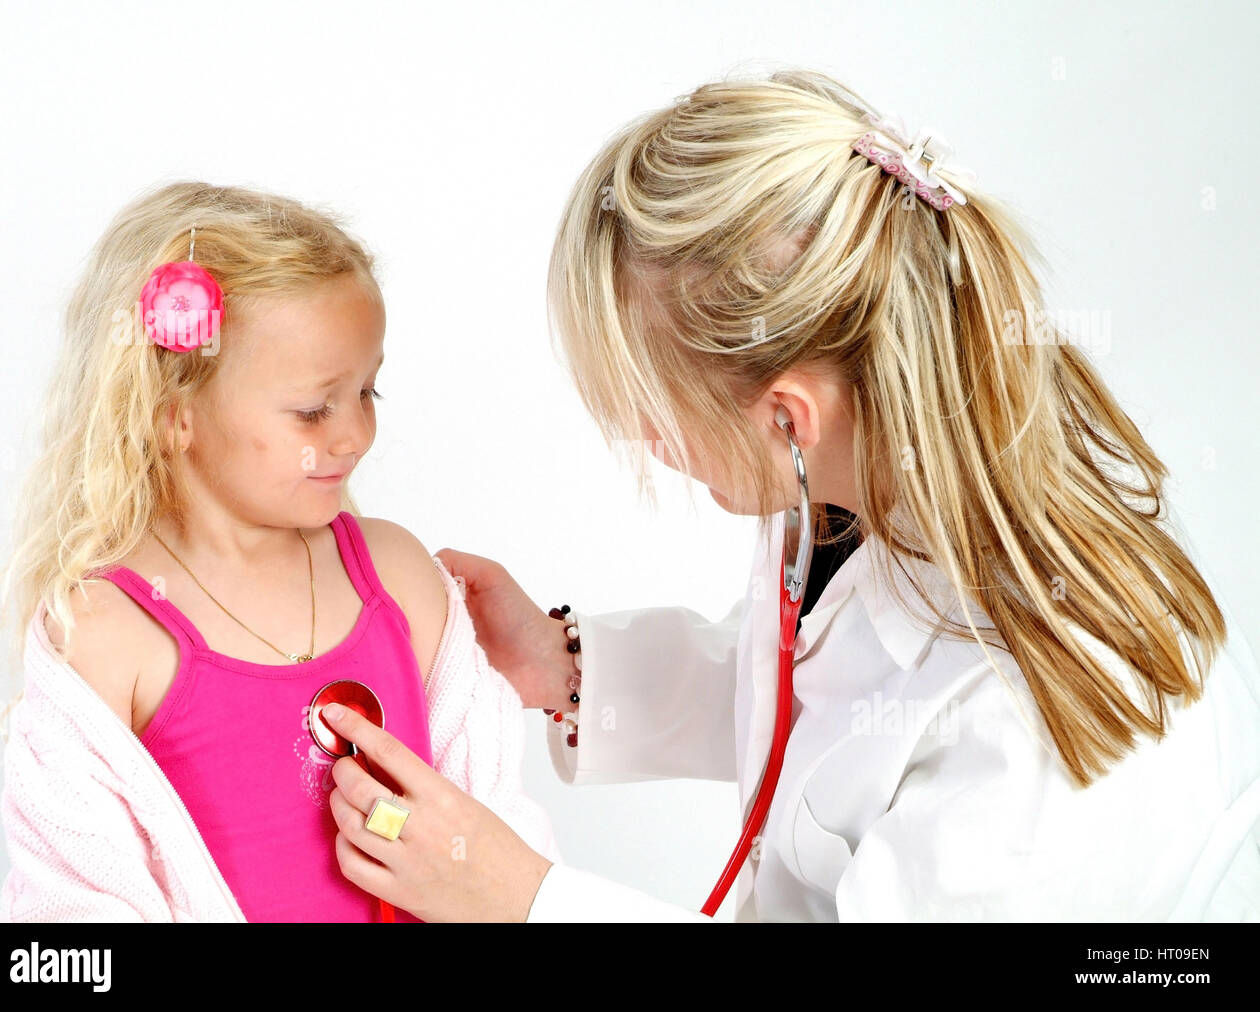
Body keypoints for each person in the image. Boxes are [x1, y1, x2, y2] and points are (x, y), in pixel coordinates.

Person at [320, 68, 1260, 922]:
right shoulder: (872, 483)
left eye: (652, 409)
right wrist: (565, 667)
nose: (644, 438)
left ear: (788, 420)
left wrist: (520, 899)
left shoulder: (1039, 745)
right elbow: (816, 691)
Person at [0, 180, 558, 922]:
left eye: (368, 393)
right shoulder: (107, 631)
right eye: (314, 409)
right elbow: (73, 900)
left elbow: (493, 828)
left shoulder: (396, 579)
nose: (354, 434)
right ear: (174, 416)